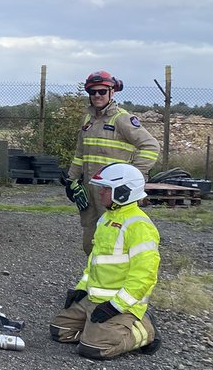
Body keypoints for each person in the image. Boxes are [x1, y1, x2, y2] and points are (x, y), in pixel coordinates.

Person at [50, 163, 161, 359]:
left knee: (94, 349)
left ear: (124, 192)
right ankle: (98, 330)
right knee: (59, 330)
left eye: (106, 189)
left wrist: (115, 306)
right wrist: (81, 289)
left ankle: (145, 329)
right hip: (95, 300)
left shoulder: (140, 226)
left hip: (121, 304)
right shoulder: (105, 220)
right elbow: (95, 263)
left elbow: (144, 277)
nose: (100, 193)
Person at [65, 70, 160, 254]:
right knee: (90, 242)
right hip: (91, 190)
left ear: (112, 92)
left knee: (112, 241)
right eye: (93, 92)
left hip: (114, 193)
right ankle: (93, 279)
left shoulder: (122, 119)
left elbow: (150, 146)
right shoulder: (87, 119)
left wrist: (133, 177)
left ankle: (113, 280)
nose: (97, 96)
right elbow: (80, 153)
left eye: (102, 91)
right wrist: (71, 180)